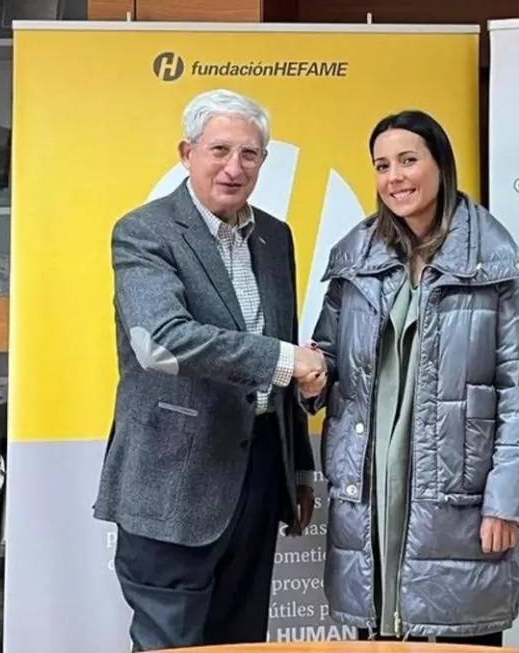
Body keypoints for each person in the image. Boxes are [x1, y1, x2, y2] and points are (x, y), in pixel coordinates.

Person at [93, 89, 325, 651]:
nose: (234, 167)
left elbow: (283, 340)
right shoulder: (144, 231)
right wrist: (286, 360)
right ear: (186, 153)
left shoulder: (275, 236)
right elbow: (161, 342)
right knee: (170, 646)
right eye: (219, 149)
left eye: (250, 154)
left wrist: (297, 467)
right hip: (172, 480)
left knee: (241, 643)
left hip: (258, 474)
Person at [300, 110, 519, 644]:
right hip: (371, 488)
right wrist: (314, 380)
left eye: (408, 160)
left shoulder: (489, 262)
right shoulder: (355, 258)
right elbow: (328, 356)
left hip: (454, 495)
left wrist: (506, 502)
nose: (394, 178)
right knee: (379, 631)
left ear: (441, 165)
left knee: (459, 636)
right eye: (382, 165)